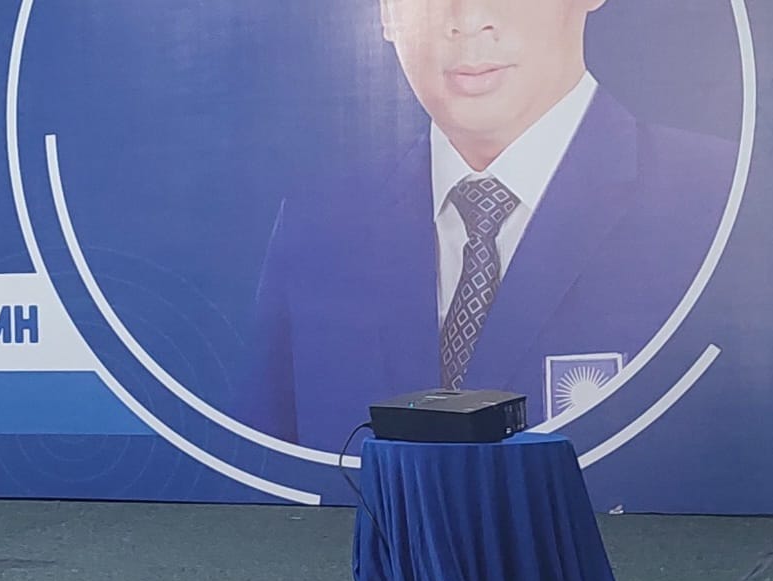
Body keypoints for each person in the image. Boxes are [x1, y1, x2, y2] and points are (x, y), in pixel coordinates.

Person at [241, 0, 737, 448]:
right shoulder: (319, 230)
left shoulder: (721, 199)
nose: (468, 19)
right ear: (386, 12)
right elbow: (266, 480)